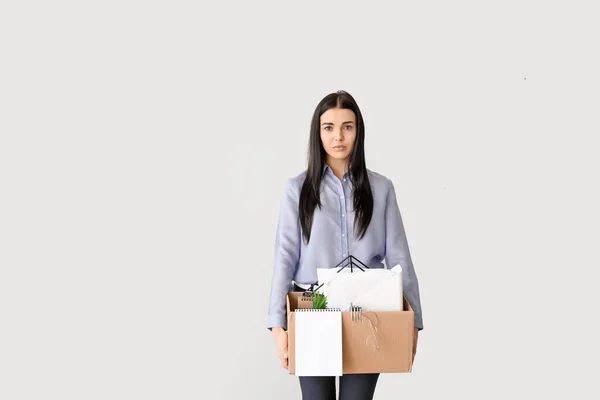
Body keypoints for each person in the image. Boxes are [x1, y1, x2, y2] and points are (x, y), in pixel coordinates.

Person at [267, 90, 424, 400]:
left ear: (358, 131)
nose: (338, 136)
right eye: (328, 127)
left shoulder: (381, 188)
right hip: (314, 307)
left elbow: (399, 256)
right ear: (318, 133)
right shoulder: (296, 190)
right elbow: (284, 255)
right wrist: (277, 324)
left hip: (368, 309)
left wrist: (413, 321)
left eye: (347, 126)